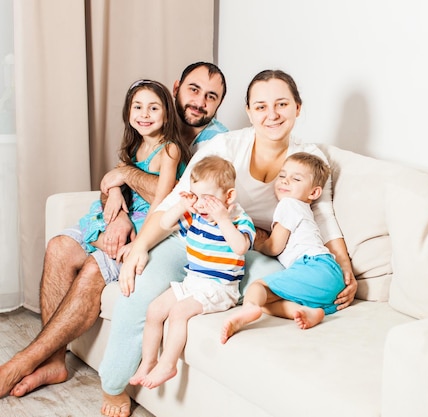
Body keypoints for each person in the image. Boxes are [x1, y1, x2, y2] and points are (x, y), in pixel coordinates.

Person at [98, 69, 358, 417]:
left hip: (246, 247)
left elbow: (322, 215)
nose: (272, 114)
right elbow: (177, 198)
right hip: (191, 239)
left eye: (282, 104)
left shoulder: (309, 159)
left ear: (297, 107)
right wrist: (142, 246)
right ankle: (114, 386)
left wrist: (344, 265)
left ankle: (303, 312)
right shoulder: (224, 146)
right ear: (249, 111)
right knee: (137, 296)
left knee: (280, 293)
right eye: (261, 106)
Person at [0, 62, 228, 410]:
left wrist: (124, 181)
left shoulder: (215, 143)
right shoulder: (147, 130)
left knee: (94, 268)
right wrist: (117, 205)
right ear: (176, 88)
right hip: (128, 217)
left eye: (211, 97)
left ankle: (23, 360)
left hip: (163, 230)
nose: (199, 102)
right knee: (60, 247)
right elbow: (117, 180)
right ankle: (54, 360)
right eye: (193, 90)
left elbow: (172, 197)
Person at [129, 155, 255, 389]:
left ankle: (168, 364)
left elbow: (240, 247)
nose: (201, 204)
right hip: (193, 281)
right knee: (154, 310)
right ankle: (148, 361)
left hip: (220, 288)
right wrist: (182, 205)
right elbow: (166, 224)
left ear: (229, 197)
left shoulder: (239, 220)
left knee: (178, 313)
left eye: (208, 199)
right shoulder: (196, 215)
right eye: (197, 197)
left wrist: (222, 218)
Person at [221, 152, 345, 343]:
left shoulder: (289, 204)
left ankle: (247, 308)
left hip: (314, 266)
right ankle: (307, 312)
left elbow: (274, 246)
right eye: (282, 176)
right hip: (331, 278)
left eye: (295, 178)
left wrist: (259, 245)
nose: (285, 181)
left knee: (257, 288)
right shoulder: (304, 210)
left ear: (313, 193)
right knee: (266, 302)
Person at [79, 78, 189, 256]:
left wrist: (139, 242)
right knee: (89, 224)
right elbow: (114, 176)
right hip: (133, 208)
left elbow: (162, 198)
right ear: (128, 112)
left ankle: (122, 250)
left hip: (154, 214)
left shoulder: (170, 149)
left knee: (120, 237)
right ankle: (115, 249)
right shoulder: (136, 145)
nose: (144, 114)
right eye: (138, 107)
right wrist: (115, 193)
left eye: (153, 108)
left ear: (167, 115)